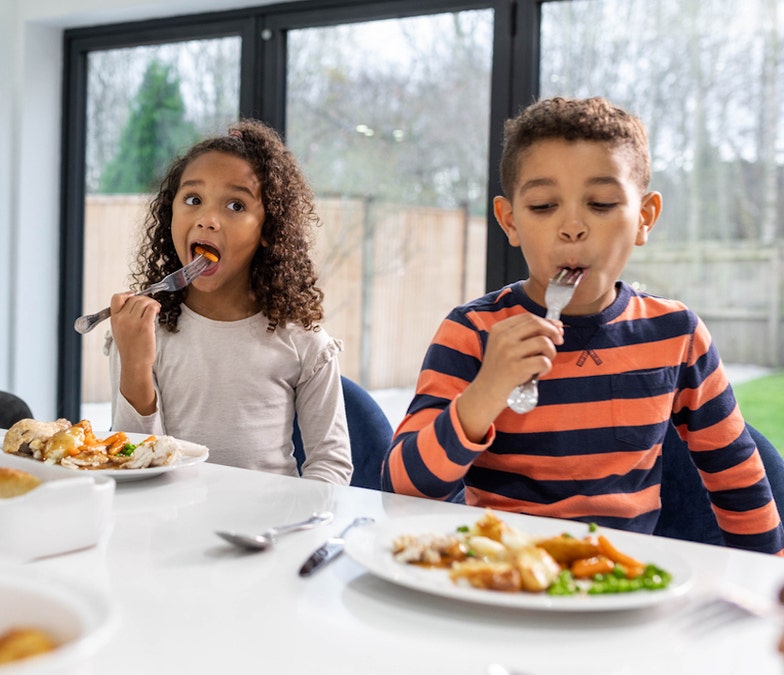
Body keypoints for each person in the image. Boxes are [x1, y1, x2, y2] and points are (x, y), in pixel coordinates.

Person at [382, 96, 784, 554]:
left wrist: (771, 586)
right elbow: (401, 489)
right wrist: (486, 391)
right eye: (543, 206)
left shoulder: (677, 334)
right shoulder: (472, 332)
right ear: (509, 222)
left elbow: (737, 476)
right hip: (499, 579)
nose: (572, 226)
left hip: (617, 579)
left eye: (601, 202)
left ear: (644, 218)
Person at [105, 119, 352, 484]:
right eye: (193, 199)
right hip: (168, 525)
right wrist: (136, 365)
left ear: (269, 230)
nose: (208, 220)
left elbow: (331, 465)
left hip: (268, 530)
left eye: (236, 205)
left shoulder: (303, 341)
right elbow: (132, 462)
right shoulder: (140, 331)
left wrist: (290, 532)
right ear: (170, 214)